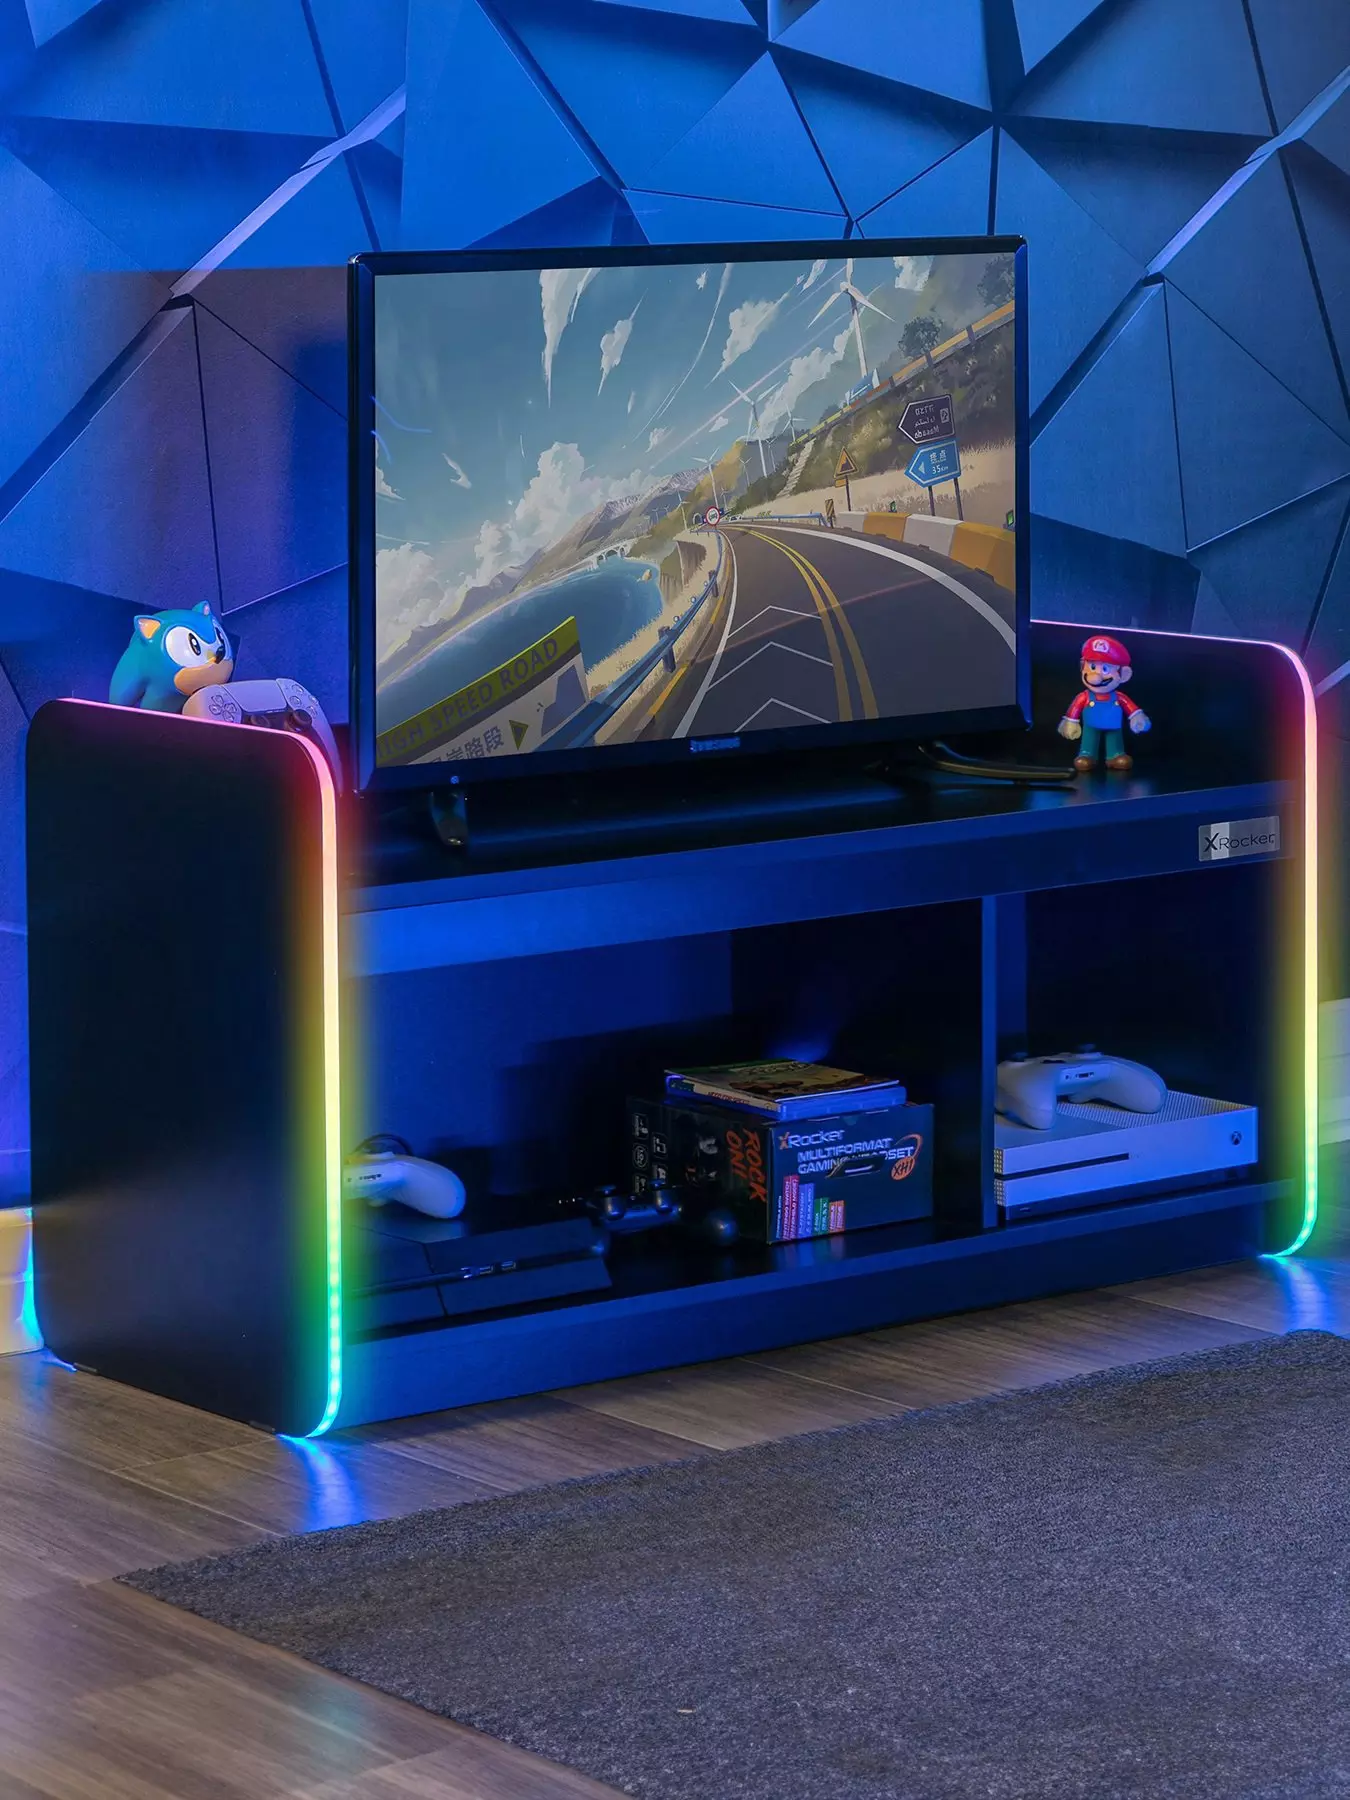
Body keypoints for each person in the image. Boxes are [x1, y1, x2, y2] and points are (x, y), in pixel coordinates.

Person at [1058, 632, 1150, 772]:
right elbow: (1075, 708)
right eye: (1092, 667)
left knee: (1115, 739)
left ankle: (1115, 755)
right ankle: (1087, 754)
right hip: (1091, 725)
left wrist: (1137, 717)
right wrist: (1071, 722)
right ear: (1082, 666)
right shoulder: (1084, 697)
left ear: (1124, 674)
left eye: (1105, 669)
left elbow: (1130, 707)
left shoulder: (1119, 697)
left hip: (1113, 725)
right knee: (1089, 738)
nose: (1095, 677)